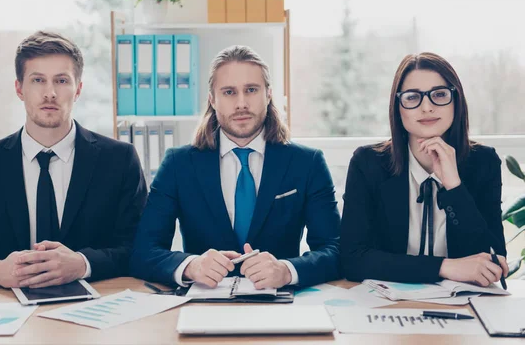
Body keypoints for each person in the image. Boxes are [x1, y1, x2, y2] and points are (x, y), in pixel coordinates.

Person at [0, 31, 147, 294]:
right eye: (38, 80)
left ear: (78, 89)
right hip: (10, 311)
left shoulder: (119, 159)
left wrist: (82, 264)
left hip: (97, 310)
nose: (50, 93)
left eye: (61, 80)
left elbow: (140, 249)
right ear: (19, 89)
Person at [130, 45, 340, 289]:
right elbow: (142, 252)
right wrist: (191, 266)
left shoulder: (307, 163)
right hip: (204, 305)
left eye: (251, 90)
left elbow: (335, 250)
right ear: (212, 99)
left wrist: (287, 270)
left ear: (268, 94)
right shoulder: (178, 164)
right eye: (229, 92)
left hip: (280, 304)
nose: (241, 103)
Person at [340, 52, 509, 286]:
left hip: (464, 306)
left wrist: (454, 188)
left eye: (439, 95)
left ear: (456, 101)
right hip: (388, 306)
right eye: (412, 97)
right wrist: (444, 267)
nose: (427, 107)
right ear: (398, 107)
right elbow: (352, 260)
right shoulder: (368, 163)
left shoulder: (484, 162)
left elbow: (492, 261)